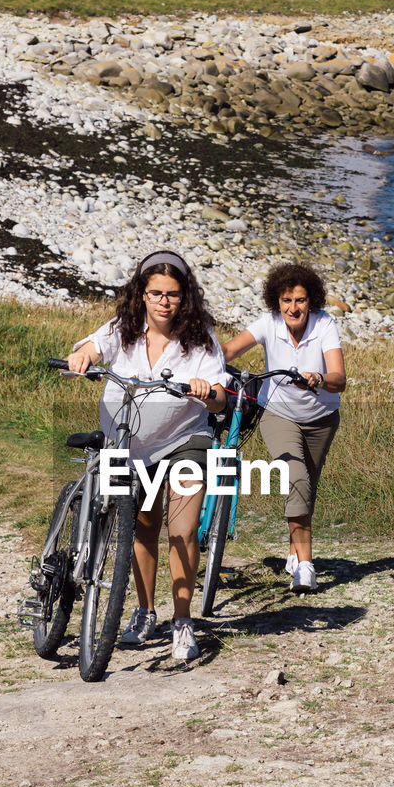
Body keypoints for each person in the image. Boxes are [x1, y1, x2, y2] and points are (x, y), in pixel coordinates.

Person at [66, 251, 227, 661]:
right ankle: (144, 610)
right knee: (141, 528)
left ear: (184, 297)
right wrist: (83, 355)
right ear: (141, 294)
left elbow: (221, 397)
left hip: (182, 440)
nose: (163, 302)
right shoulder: (123, 329)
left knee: (183, 529)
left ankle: (183, 620)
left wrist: (208, 393)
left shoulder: (201, 338)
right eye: (155, 292)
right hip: (126, 444)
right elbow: (92, 346)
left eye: (172, 294)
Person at [222, 261, 346, 594]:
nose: (293, 308)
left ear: (312, 302)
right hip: (278, 414)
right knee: (298, 479)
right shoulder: (267, 324)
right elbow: (228, 350)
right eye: (287, 300)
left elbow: (339, 378)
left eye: (301, 300)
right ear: (277, 301)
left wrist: (319, 378)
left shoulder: (325, 326)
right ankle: (305, 566)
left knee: (308, 486)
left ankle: (294, 550)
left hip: (322, 418)